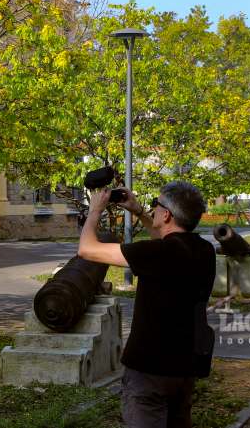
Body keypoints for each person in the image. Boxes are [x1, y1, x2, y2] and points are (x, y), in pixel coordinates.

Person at [78, 181, 216, 428]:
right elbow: (167, 243)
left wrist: (95, 211)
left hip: (149, 369)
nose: (153, 209)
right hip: (185, 368)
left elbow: (87, 250)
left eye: (156, 205)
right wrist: (139, 211)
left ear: (166, 214)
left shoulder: (156, 253)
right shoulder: (204, 250)